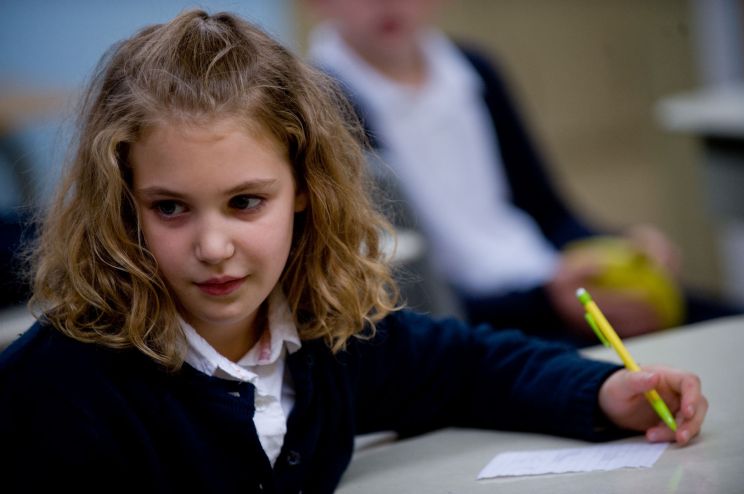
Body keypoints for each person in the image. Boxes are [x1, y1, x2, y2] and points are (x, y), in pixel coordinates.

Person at [0, 10, 707, 493]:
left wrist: (600, 392)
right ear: (124, 202)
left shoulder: (327, 336)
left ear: (305, 188)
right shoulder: (59, 389)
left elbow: (466, 366)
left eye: (246, 202)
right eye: (169, 208)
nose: (213, 247)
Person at [306, 0, 742, 345]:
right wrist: (546, 304)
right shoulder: (320, 106)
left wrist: (620, 246)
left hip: (549, 287)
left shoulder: (475, 68)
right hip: (473, 325)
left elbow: (546, 212)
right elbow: (406, 295)